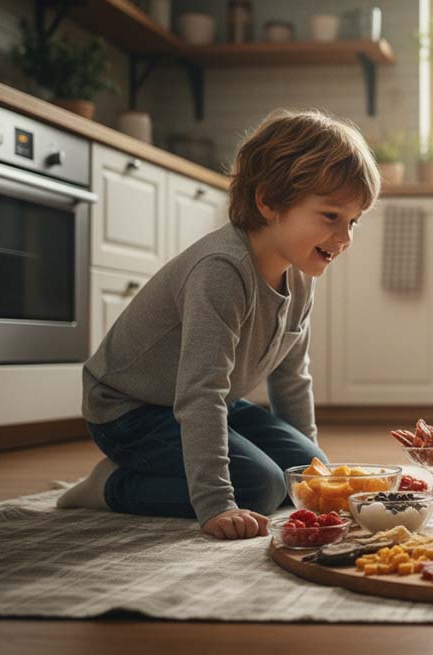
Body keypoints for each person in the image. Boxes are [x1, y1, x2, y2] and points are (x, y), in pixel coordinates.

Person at [57, 109, 381, 540]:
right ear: (268, 202)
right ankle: (111, 486)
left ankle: (212, 473)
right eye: (330, 217)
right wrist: (215, 504)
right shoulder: (221, 270)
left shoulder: (300, 271)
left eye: (353, 221)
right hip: (128, 411)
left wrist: (312, 479)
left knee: (296, 477)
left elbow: (290, 378)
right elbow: (200, 392)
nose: (345, 238)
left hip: (207, 401)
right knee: (260, 486)